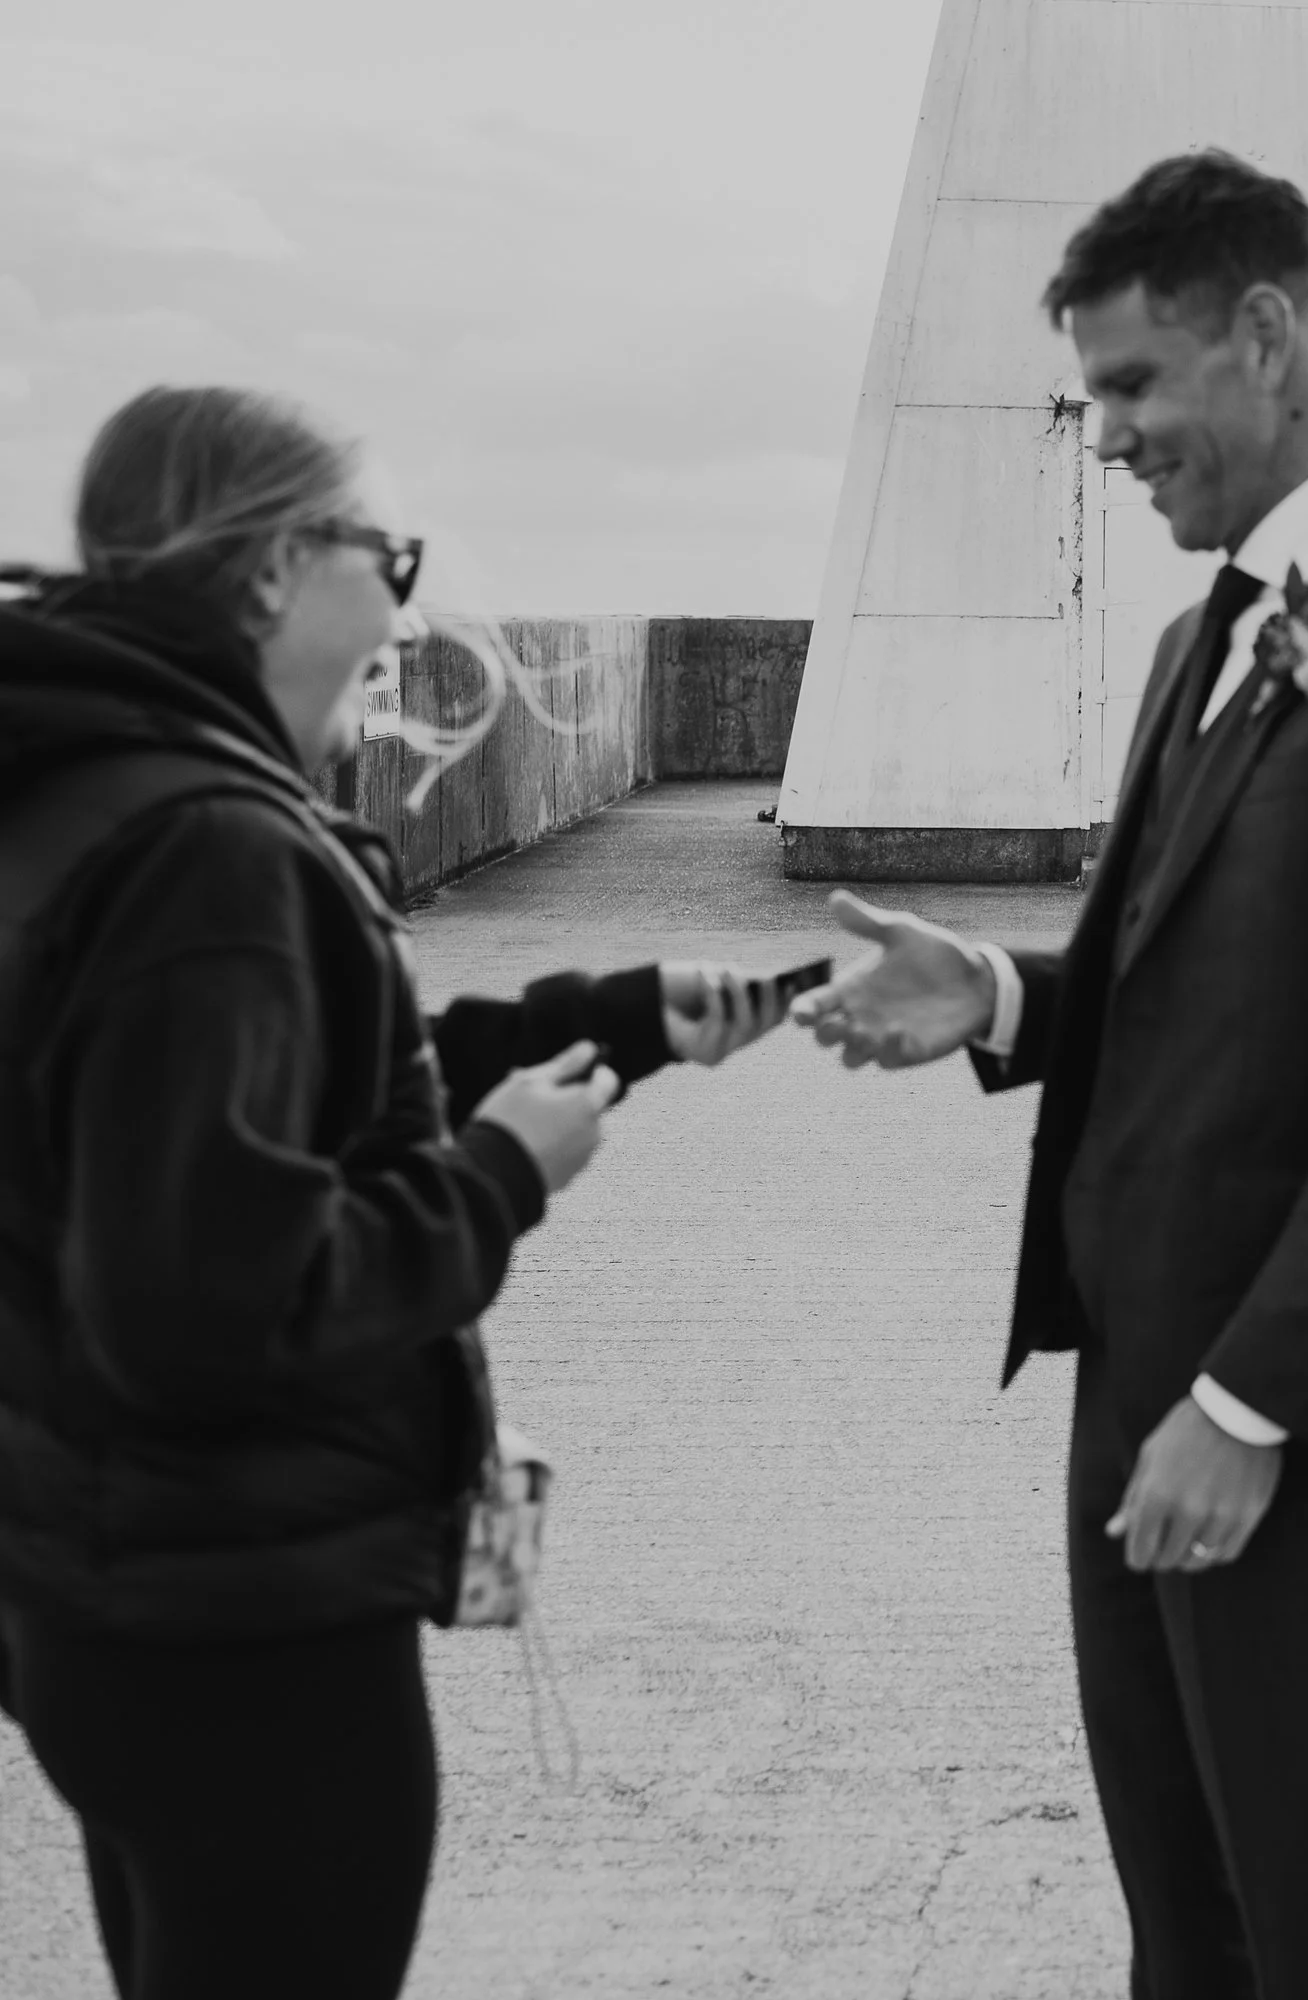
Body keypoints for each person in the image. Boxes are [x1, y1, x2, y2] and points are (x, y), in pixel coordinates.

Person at [794, 152, 1308, 1996]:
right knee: (1180, 1902)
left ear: (1273, 338)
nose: (1108, 435)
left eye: (1136, 385)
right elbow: (1195, 991)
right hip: (1130, 1365)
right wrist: (993, 996)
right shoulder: (1206, 632)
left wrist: (1245, 1407)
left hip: (1276, 1414)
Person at [0, 385, 788, 1999]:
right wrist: (503, 1173)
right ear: (278, 567)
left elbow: (283, 1097)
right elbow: (210, 1309)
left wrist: (612, 1022)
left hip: (108, 1595)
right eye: (386, 552)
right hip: (250, 1637)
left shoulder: (83, 789)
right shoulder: (213, 848)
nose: (406, 604)